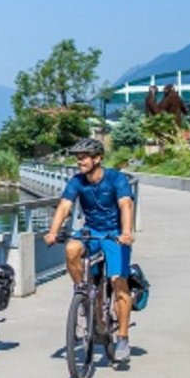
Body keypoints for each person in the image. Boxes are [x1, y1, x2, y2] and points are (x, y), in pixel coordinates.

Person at [43, 136, 138, 361]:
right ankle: (83, 292)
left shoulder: (116, 178)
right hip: (91, 231)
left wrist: (126, 232)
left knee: (118, 282)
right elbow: (65, 206)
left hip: (115, 234)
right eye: (77, 158)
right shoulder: (77, 181)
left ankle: (123, 338)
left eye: (84, 158)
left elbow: (126, 204)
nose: (79, 162)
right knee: (71, 249)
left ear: (98, 158)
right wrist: (53, 231)